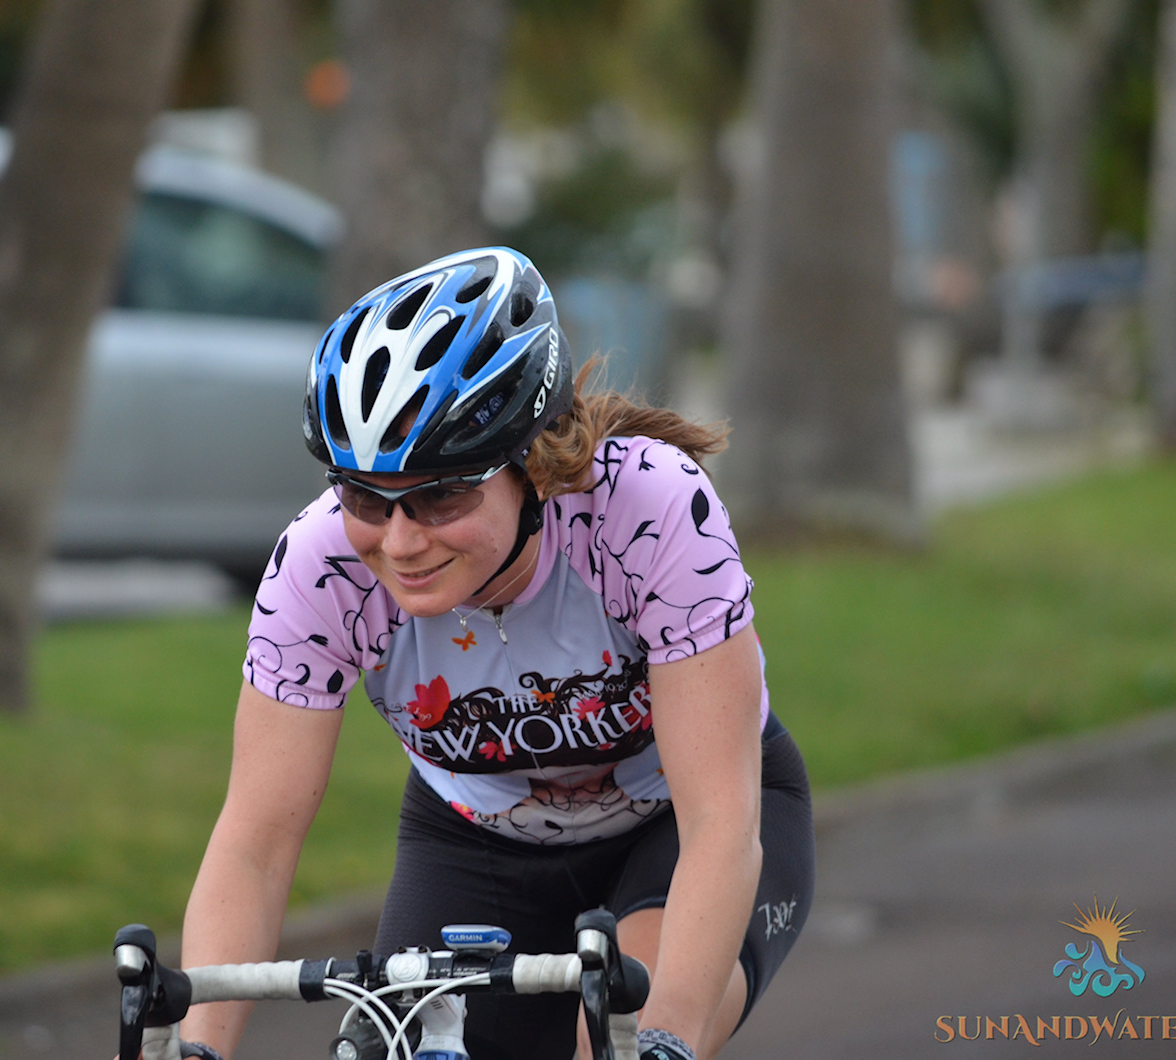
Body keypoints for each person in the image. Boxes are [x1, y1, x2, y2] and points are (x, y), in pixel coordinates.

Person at [176, 247, 814, 1060]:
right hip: (473, 842)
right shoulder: (322, 565)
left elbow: (721, 821)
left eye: (442, 494)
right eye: (368, 497)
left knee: (617, 1039)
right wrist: (197, 1046)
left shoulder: (646, 510)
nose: (401, 542)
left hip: (675, 832)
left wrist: (663, 1041)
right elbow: (255, 845)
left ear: (534, 466)